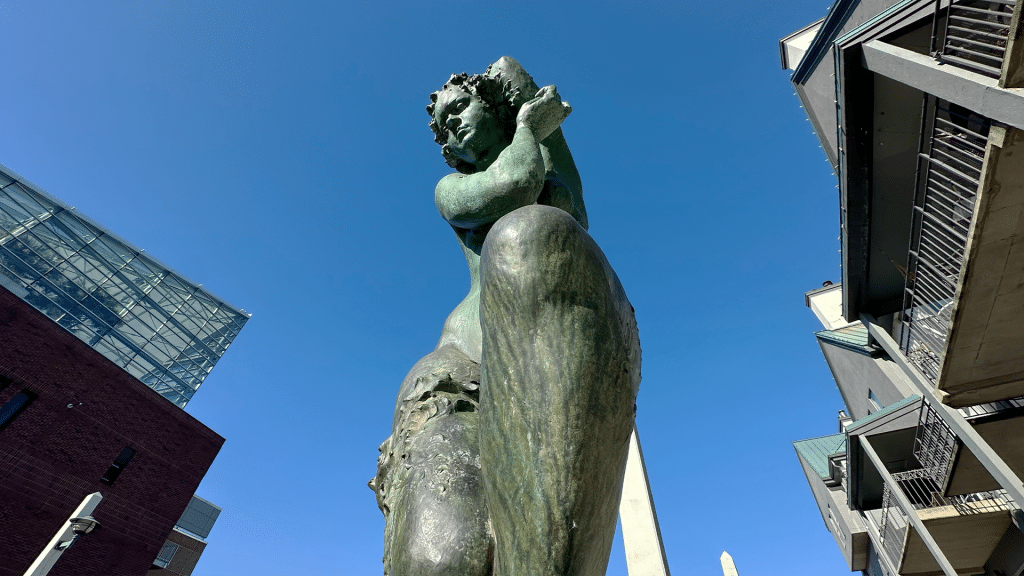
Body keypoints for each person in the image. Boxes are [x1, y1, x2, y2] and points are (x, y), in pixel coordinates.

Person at [370, 57, 640, 576]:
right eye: (445, 128)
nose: (454, 127)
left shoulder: (539, 163)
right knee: (442, 558)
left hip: (540, 341)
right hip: (458, 373)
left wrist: (521, 92)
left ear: (493, 106)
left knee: (539, 235)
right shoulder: (449, 190)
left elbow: (571, 213)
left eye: (461, 109)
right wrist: (526, 128)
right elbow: (518, 181)